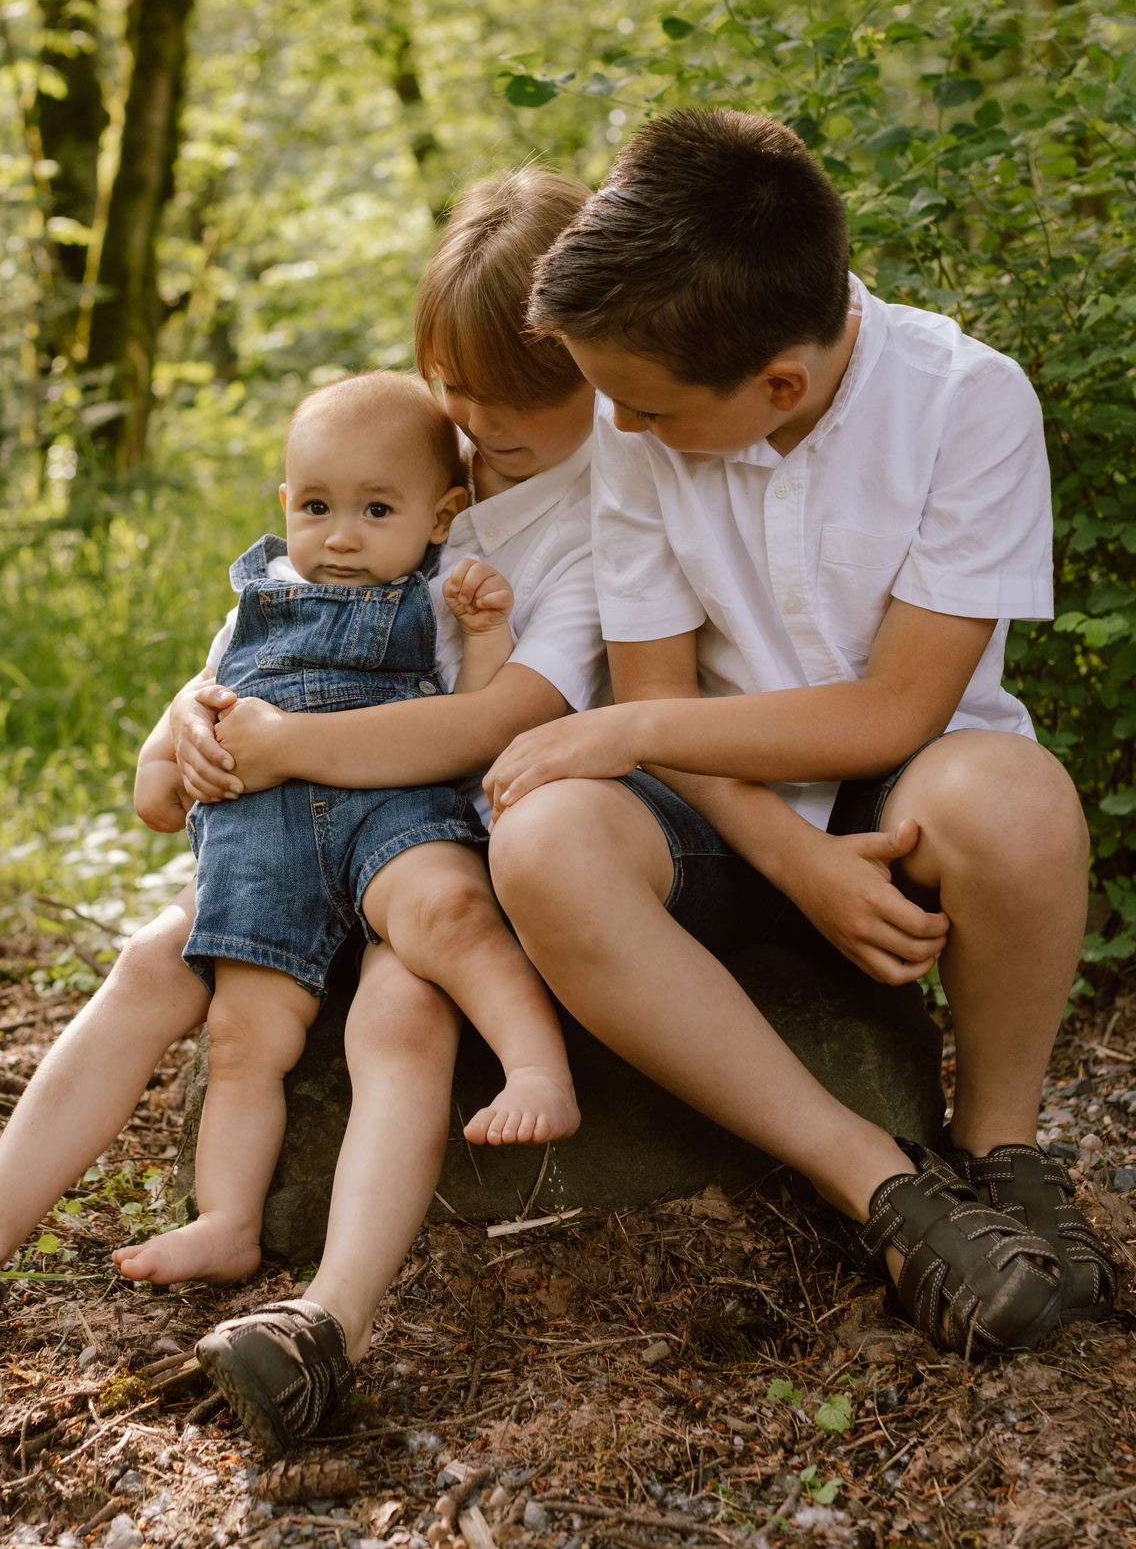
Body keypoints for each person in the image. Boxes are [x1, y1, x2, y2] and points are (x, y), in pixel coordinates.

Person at [0, 169, 609, 1408]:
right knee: (150, 960)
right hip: (282, 843)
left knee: (404, 1013)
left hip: (444, 839)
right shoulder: (386, 458)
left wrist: (285, 746)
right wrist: (187, 733)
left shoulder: (608, 515)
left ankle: (330, 1318)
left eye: (513, 404)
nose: (479, 423)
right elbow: (206, 718)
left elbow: (496, 713)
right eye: (459, 394)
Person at [474, 107, 1113, 1358]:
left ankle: (998, 1149)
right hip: (708, 805)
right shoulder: (634, 418)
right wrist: (786, 854)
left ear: (777, 381)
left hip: (905, 786)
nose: (624, 428)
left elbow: (896, 707)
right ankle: (878, 1182)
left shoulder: (966, 403)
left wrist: (626, 728)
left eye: (649, 410)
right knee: (545, 843)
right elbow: (659, 682)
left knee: (1022, 798)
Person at [126, 368, 579, 1289]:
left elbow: (474, 715)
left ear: (441, 516)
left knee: (450, 911)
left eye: (378, 510)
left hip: (393, 819)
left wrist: (489, 630)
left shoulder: (439, 594)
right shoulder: (253, 602)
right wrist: (170, 760)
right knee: (243, 1035)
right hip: (269, 849)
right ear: (285, 502)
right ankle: (225, 1218)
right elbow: (180, 742)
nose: (341, 536)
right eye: (320, 506)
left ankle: (536, 1068)